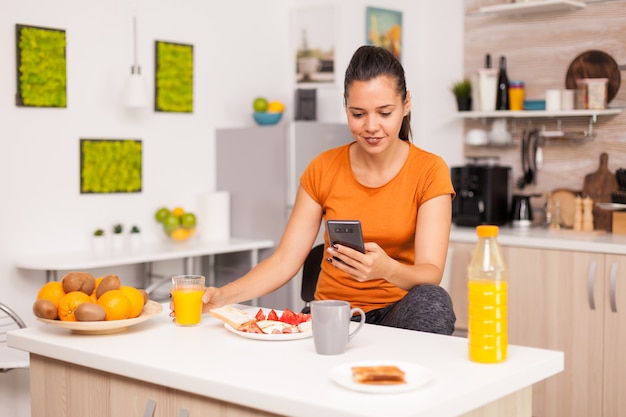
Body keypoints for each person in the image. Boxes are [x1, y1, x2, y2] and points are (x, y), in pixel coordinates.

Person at [173, 45, 456, 335]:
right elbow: (285, 260)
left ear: (406, 103)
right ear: (345, 107)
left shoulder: (429, 170)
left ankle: (408, 374)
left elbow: (430, 272)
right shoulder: (323, 168)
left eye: (385, 112)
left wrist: (387, 269)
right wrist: (225, 295)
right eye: (358, 114)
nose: (371, 126)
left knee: (434, 301)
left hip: (397, 316)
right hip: (332, 315)